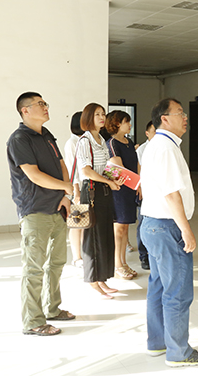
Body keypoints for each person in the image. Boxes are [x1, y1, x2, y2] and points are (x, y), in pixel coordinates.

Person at [140, 98, 198, 367]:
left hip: (153, 225)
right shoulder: (166, 147)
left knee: (159, 287)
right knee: (177, 291)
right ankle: (179, 352)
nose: (185, 117)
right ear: (165, 119)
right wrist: (186, 230)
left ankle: (158, 343)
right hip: (167, 227)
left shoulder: (157, 145)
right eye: (180, 113)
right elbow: (171, 194)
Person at [7, 92, 76, 336]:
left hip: (57, 207)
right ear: (25, 110)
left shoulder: (46, 134)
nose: (46, 107)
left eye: (45, 103)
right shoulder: (19, 139)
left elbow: (61, 165)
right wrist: (66, 187)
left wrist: (66, 195)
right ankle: (33, 321)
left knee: (56, 263)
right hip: (35, 210)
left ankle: (52, 308)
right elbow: (34, 175)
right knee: (34, 268)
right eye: (40, 104)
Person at [76, 103, 124, 298]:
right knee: (93, 237)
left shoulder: (101, 139)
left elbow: (103, 167)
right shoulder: (84, 141)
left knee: (104, 236)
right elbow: (86, 171)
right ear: (88, 117)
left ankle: (101, 277)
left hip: (103, 190)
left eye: (103, 114)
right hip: (92, 192)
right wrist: (108, 181)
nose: (102, 117)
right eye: (97, 114)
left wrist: (114, 178)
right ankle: (93, 280)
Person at [106, 110, 139, 280]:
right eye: (127, 122)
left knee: (125, 227)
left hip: (130, 188)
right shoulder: (112, 143)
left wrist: (138, 184)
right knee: (118, 228)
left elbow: (136, 164)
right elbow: (118, 169)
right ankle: (117, 265)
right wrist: (135, 182)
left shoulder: (128, 141)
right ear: (117, 123)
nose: (130, 125)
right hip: (119, 191)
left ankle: (124, 262)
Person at [64, 111, 84, 268]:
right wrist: (76, 191)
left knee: (84, 222)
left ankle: (83, 254)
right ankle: (77, 257)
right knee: (76, 222)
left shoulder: (85, 141)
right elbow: (72, 169)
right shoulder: (72, 143)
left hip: (86, 187)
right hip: (78, 188)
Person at [135, 120, 156, 270]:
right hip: (146, 191)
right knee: (143, 223)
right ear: (147, 133)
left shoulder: (166, 147)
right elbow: (139, 171)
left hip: (160, 191)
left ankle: (155, 254)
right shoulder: (142, 149)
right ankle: (144, 256)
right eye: (154, 132)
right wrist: (140, 188)